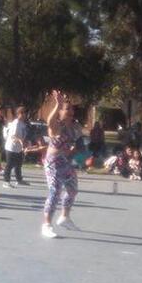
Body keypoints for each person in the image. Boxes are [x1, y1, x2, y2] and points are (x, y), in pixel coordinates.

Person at [41, 91, 84, 238]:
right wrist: (58, 104)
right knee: (55, 192)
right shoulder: (56, 126)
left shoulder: (75, 128)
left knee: (72, 189)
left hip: (64, 162)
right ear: (60, 112)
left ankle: (64, 217)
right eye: (67, 109)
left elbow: (77, 145)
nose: (71, 111)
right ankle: (46, 225)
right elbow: (49, 121)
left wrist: (74, 151)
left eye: (71, 109)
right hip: (52, 164)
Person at [3, 106, 30, 188]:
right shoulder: (16, 123)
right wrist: (20, 141)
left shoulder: (22, 123)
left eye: (25, 113)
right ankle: (6, 181)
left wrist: (25, 142)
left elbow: (23, 134)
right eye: (22, 113)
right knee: (10, 164)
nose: (24, 115)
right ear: (18, 114)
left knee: (18, 164)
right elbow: (13, 136)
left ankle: (19, 180)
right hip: (11, 147)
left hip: (18, 148)